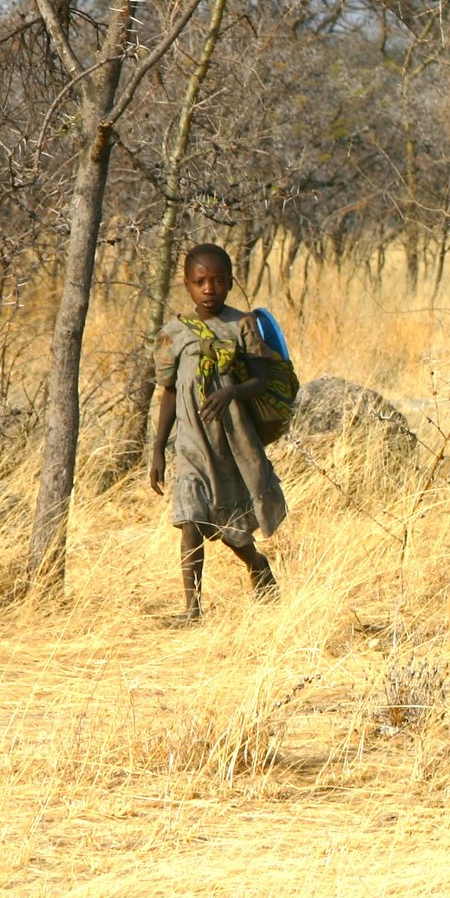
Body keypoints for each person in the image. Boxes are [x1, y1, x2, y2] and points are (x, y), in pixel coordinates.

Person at [148, 243, 286, 621]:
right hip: (190, 443)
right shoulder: (173, 333)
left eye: (218, 281)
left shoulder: (242, 325)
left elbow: (260, 380)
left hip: (231, 440)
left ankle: (257, 564)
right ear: (187, 284)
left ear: (229, 283)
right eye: (200, 281)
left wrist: (231, 391)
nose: (209, 288)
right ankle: (192, 610)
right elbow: (169, 392)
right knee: (190, 519)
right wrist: (159, 449)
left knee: (229, 525)